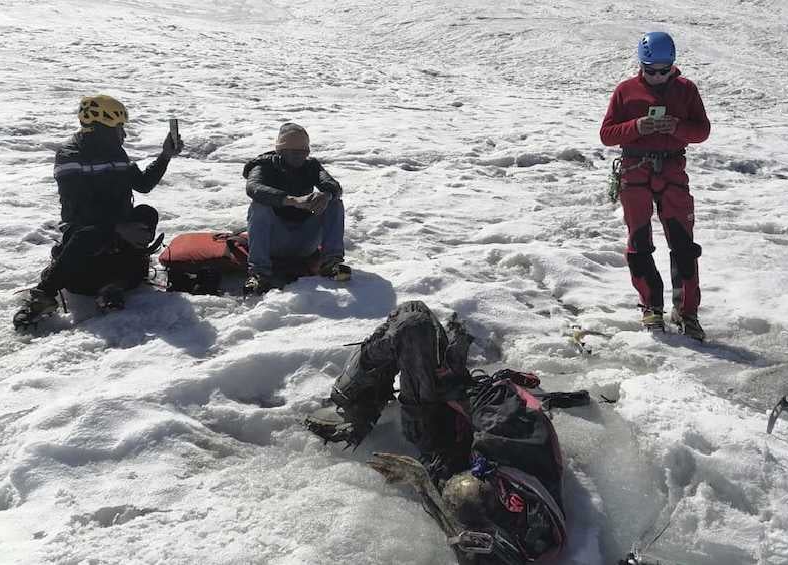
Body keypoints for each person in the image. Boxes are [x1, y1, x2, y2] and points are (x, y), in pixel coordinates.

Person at [304, 301, 571, 564]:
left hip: (439, 436)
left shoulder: (495, 526)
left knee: (413, 324)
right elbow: (492, 408)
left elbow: (462, 537)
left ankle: (354, 407)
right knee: (414, 315)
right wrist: (455, 383)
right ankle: (358, 400)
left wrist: (419, 479)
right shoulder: (532, 523)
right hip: (465, 412)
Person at [13, 94, 182, 330]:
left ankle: (114, 283)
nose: (123, 134)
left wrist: (165, 156)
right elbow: (80, 209)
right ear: (101, 129)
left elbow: (142, 184)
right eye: (119, 128)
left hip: (117, 227)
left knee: (146, 213)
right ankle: (44, 295)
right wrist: (118, 228)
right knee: (89, 233)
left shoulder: (116, 153)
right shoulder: (70, 155)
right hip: (86, 230)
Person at [600, 31, 711, 340]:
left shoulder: (686, 90)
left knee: (684, 246)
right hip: (635, 173)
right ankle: (651, 307)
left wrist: (678, 127)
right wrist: (637, 127)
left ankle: (687, 312)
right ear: (642, 65)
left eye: (665, 70)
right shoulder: (626, 91)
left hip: (673, 172)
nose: (659, 76)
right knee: (639, 243)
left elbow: (702, 131)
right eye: (651, 70)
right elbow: (607, 134)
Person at [242, 123, 350, 294]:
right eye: (294, 153)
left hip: (305, 240)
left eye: (303, 153)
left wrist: (326, 195)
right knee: (259, 205)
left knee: (334, 202)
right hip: (274, 241)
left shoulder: (311, 166)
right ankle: (259, 273)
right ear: (281, 152)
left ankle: (332, 263)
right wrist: (291, 201)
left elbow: (333, 186)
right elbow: (254, 188)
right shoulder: (263, 166)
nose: (300, 158)